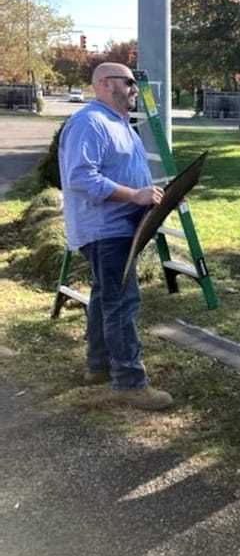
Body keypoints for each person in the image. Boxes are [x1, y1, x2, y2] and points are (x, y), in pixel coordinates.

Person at [58, 62, 171, 409]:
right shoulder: (90, 122)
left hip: (120, 227)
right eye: (130, 82)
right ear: (106, 85)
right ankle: (129, 382)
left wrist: (148, 192)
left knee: (105, 295)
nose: (136, 89)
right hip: (105, 230)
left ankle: (99, 366)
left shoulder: (119, 123)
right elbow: (81, 177)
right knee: (122, 301)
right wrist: (134, 195)